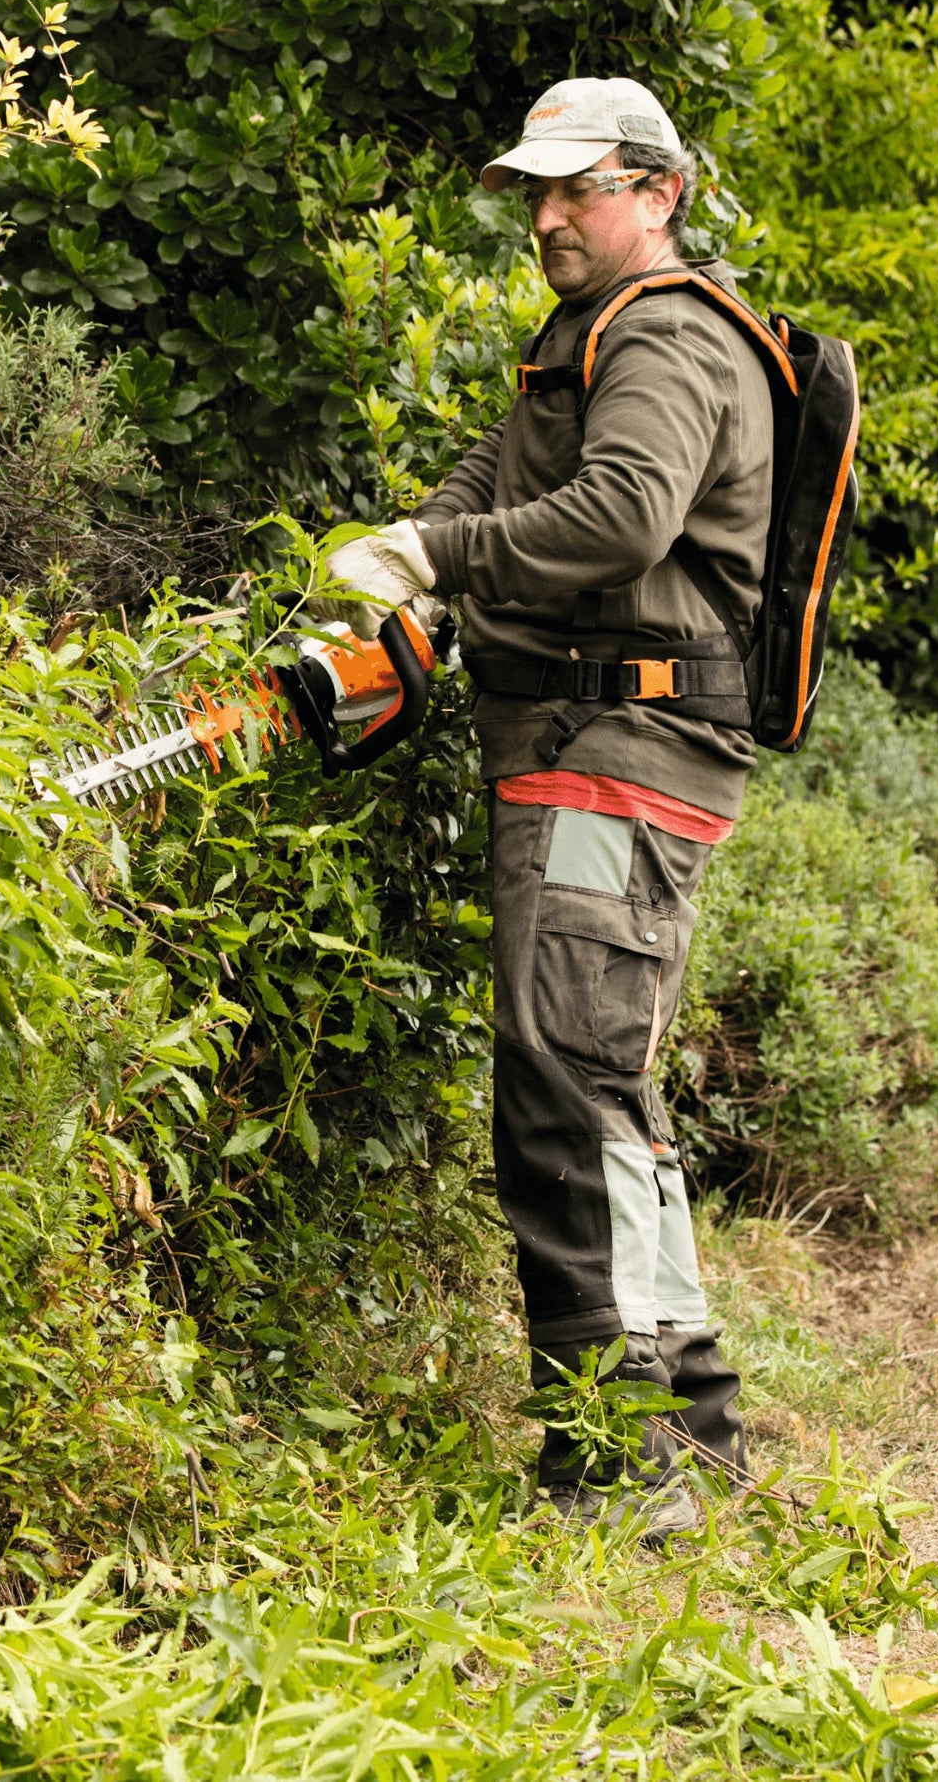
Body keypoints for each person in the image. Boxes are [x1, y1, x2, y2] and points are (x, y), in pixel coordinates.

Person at [313, 76, 773, 1541]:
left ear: (659, 190)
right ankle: (668, 1439)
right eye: (537, 189)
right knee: (580, 1083)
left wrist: (438, 552)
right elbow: (496, 500)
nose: (550, 213)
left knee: (572, 1078)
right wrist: (408, 583)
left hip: (620, 753)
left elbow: (625, 517)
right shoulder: (579, 346)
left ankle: (633, 1459)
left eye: (579, 187)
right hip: (576, 743)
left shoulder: (672, 336)